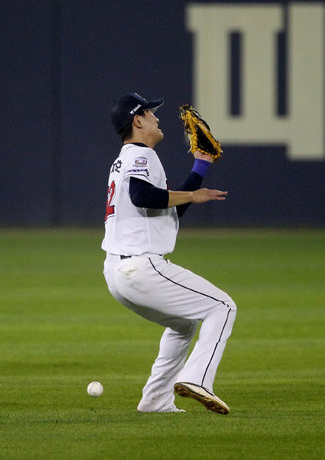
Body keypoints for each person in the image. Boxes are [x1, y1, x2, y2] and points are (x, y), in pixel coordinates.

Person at [102, 92, 237, 414]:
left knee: (183, 324)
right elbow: (144, 196)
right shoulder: (141, 154)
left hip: (118, 273)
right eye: (150, 114)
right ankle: (198, 379)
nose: (157, 118)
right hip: (141, 267)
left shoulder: (125, 158)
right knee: (223, 307)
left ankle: (156, 400)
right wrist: (192, 193)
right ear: (137, 121)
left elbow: (164, 210)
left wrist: (200, 166)